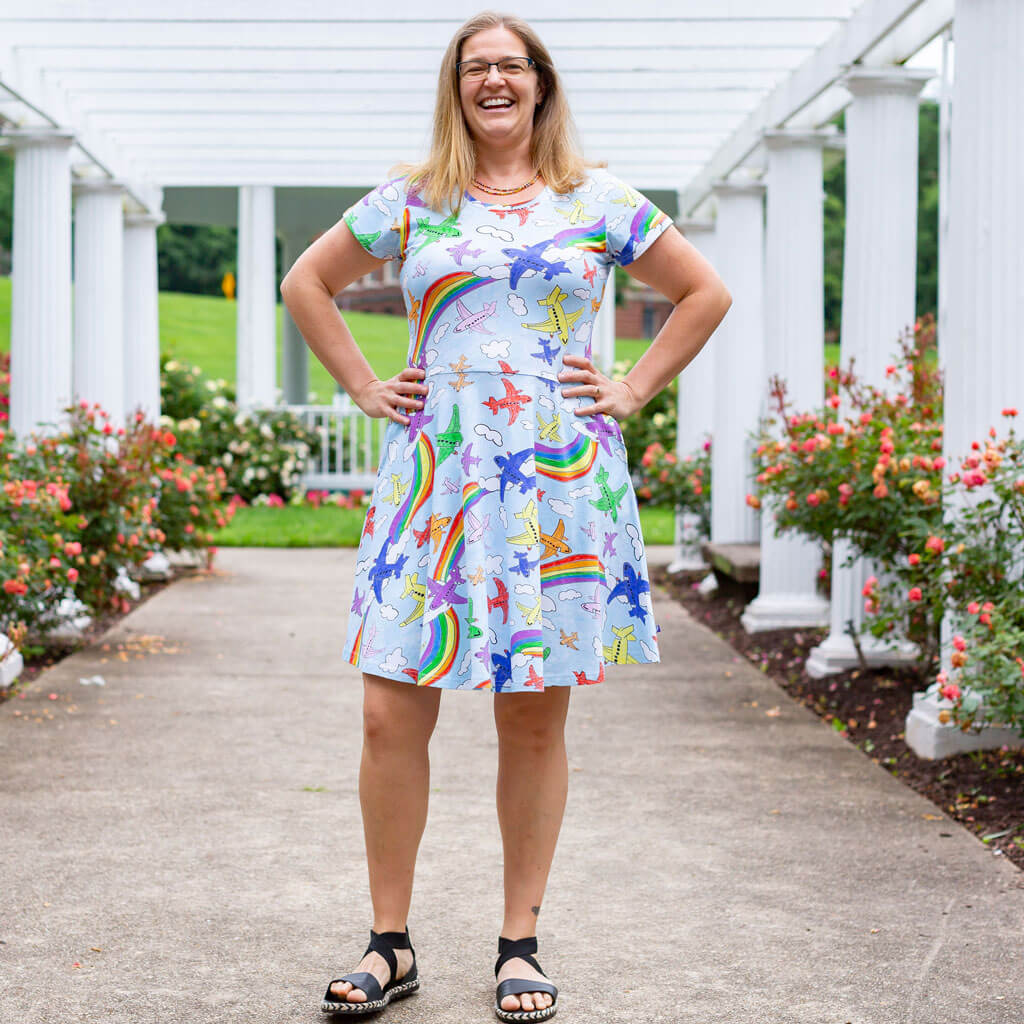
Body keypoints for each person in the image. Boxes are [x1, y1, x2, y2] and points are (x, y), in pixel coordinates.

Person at [280, 10, 731, 1021]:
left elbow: (702, 293)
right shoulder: (414, 199)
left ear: (539, 85)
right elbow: (306, 282)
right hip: (432, 476)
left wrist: (632, 386)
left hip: (555, 482)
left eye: (508, 66)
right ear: (456, 87)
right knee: (389, 707)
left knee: (531, 717)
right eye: (473, 66)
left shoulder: (599, 199)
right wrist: (361, 383)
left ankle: (519, 943)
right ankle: (388, 943)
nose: (492, 79)